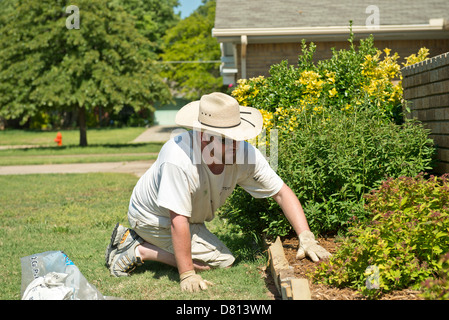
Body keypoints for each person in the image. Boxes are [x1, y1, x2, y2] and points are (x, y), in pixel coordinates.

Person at [105, 92, 331, 292]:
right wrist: (187, 275)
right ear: (204, 137)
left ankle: (139, 245)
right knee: (219, 262)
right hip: (153, 218)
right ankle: (137, 248)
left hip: (186, 218)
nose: (236, 145)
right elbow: (177, 220)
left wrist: (306, 237)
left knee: (216, 258)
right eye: (226, 140)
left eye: (238, 137)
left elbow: (281, 192)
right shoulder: (178, 158)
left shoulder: (244, 153)